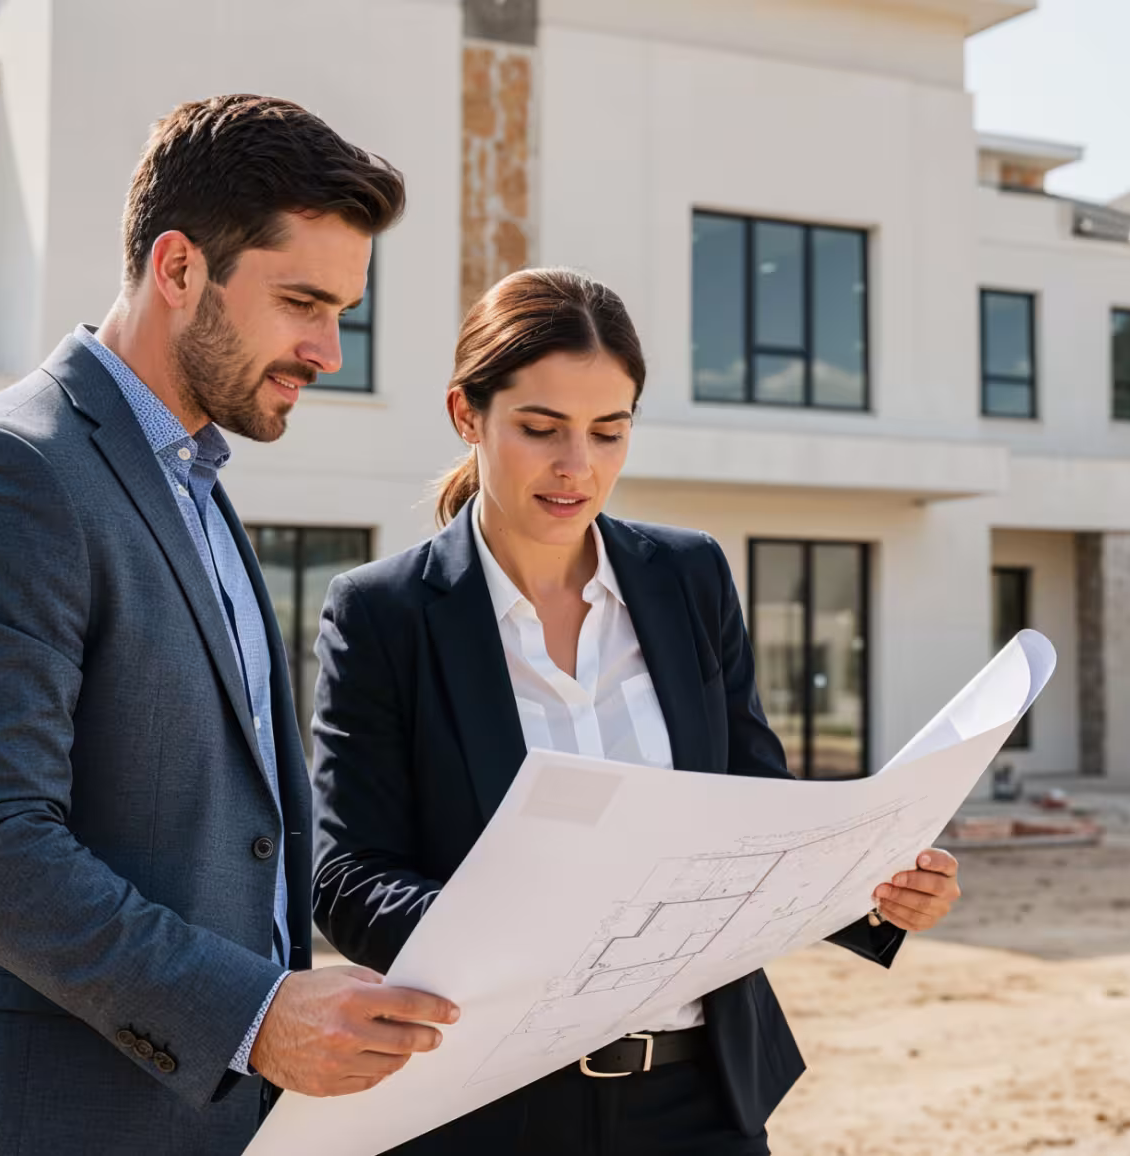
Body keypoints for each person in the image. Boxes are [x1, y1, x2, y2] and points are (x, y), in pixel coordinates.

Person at [0, 94, 458, 1156]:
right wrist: (250, 1016)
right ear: (180, 267)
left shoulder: (198, 487)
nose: (328, 349)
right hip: (51, 1118)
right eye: (302, 303)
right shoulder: (7, 473)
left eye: (342, 313)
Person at [309, 268, 966, 1155]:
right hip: (486, 1107)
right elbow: (348, 876)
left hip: (700, 1101)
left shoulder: (689, 579)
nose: (577, 467)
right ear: (468, 415)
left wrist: (879, 893)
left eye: (608, 432)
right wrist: (527, 944)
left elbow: (761, 811)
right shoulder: (382, 614)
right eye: (540, 429)